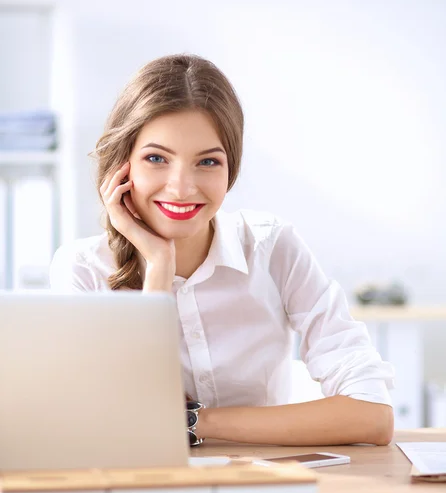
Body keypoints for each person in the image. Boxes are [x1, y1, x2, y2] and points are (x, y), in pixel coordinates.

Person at [50, 54, 395, 447]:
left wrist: (195, 421)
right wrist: (159, 267)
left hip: (265, 487)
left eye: (208, 161)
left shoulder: (272, 248)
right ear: (122, 164)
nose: (181, 188)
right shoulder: (82, 269)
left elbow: (372, 415)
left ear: (231, 169)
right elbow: (107, 428)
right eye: (156, 158)